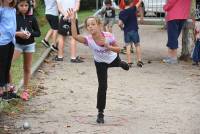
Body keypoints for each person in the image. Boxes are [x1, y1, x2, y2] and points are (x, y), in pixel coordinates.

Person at [67, 8, 129, 124]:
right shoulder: (88, 40)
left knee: (118, 62)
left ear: (99, 25)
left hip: (113, 59)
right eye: (88, 25)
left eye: (93, 24)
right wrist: (72, 20)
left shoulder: (109, 36)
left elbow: (119, 49)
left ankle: (121, 64)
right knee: (102, 86)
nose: (91, 27)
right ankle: (100, 112)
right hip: (100, 63)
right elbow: (75, 36)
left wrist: (108, 47)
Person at [10, 0, 41, 101]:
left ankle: (25, 90)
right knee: (8, 66)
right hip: (17, 45)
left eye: (26, 5)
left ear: (29, 6)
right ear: (17, 6)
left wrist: (30, 33)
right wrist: (18, 33)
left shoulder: (32, 18)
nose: (24, 7)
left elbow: (38, 33)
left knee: (27, 68)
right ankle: (11, 87)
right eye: (21, 5)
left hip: (29, 45)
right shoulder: (14, 17)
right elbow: (10, 31)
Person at [0, 0, 18, 100]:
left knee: (7, 66)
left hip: (11, 41)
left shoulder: (13, 9)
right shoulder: (1, 9)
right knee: (1, 66)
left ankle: (7, 89)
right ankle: (1, 91)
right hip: (2, 42)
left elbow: (13, 25)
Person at [118, 0, 143, 67]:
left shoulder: (122, 12)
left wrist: (122, 28)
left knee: (128, 46)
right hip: (134, 30)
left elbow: (119, 23)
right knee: (137, 45)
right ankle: (139, 61)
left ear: (124, 3)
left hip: (127, 31)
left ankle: (129, 62)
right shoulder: (133, 9)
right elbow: (139, 3)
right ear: (131, 3)